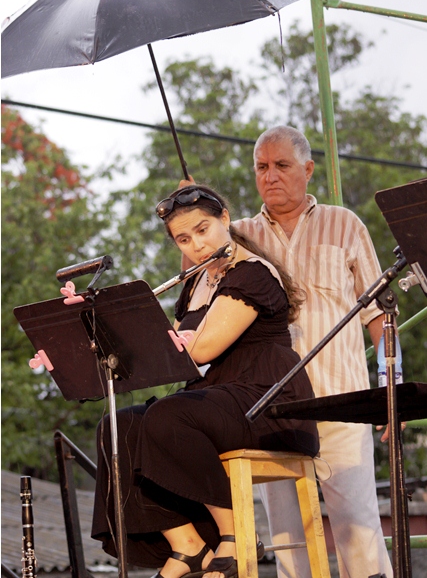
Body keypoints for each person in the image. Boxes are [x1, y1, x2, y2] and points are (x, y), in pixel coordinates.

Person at [91, 184, 319, 578]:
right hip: (218, 396)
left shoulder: (253, 274)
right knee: (118, 426)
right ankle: (187, 546)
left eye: (203, 230)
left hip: (266, 399)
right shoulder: (197, 284)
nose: (197, 245)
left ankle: (235, 533)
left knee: (168, 416)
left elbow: (202, 349)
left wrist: (154, 333)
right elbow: (169, 358)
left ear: (224, 219)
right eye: (184, 239)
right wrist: (96, 330)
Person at [231, 125, 393, 578]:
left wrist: (391, 385)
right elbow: (199, 293)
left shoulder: (345, 224)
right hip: (272, 408)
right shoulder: (237, 236)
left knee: (360, 531)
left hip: (343, 405)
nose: (270, 176)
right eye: (261, 167)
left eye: (281, 165)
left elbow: (379, 315)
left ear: (308, 169)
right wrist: (195, 213)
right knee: (289, 540)